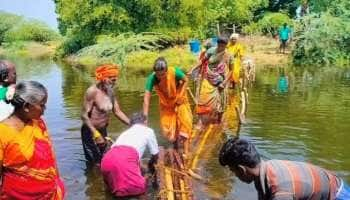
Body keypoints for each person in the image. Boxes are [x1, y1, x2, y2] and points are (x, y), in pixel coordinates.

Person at [219, 138, 350, 200]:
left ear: (242, 170)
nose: (234, 175)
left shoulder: (281, 191)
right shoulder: (265, 169)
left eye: (233, 170)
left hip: (338, 195)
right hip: (330, 186)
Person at [0, 81, 65, 199]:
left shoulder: (39, 123)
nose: (44, 109)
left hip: (50, 193)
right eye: (42, 105)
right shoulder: (2, 133)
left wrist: (57, 181)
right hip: (17, 196)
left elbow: (50, 154)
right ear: (26, 107)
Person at [101, 112, 159, 198]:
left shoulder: (126, 133)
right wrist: (151, 166)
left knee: (117, 193)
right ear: (145, 122)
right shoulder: (148, 131)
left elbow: (128, 157)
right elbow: (155, 154)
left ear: (131, 124)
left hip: (106, 160)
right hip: (124, 159)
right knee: (140, 191)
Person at [81, 64, 130, 165]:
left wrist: (132, 125)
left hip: (103, 131)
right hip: (90, 132)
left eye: (115, 80)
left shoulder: (110, 92)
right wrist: (96, 134)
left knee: (105, 159)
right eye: (112, 80)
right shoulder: (92, 92)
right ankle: (92, 179)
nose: (114, 83)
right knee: (94, 163)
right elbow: (84, 116)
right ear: (103, 78)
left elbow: (117, 111)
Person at [143, 57, 192, 155]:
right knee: (167, 130)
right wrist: (145, 117)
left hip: (179, 98)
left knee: (184, 123)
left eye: (163, 74)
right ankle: (176, 146)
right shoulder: (152, 78)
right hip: (166, 103)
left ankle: (186, 153)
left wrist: (180, 96)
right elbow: (146, 99)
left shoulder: (174, 72)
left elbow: (186, 80)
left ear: (167, 70)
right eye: (158, 74)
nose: (160, 76)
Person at [188, 36, 233, 126]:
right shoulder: (211, 51)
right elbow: (202, 61)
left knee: (221, 101)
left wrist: (224, 83)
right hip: (208, 78)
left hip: (221, 80)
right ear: (217, 44)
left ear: (226, 45)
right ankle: (201, 121)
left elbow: (231, 70)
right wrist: (192, 69)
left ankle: (219, 120)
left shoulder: (228, 55)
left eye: (223, 45)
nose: (221, 47)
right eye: (219, 44)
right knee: (203, 99)